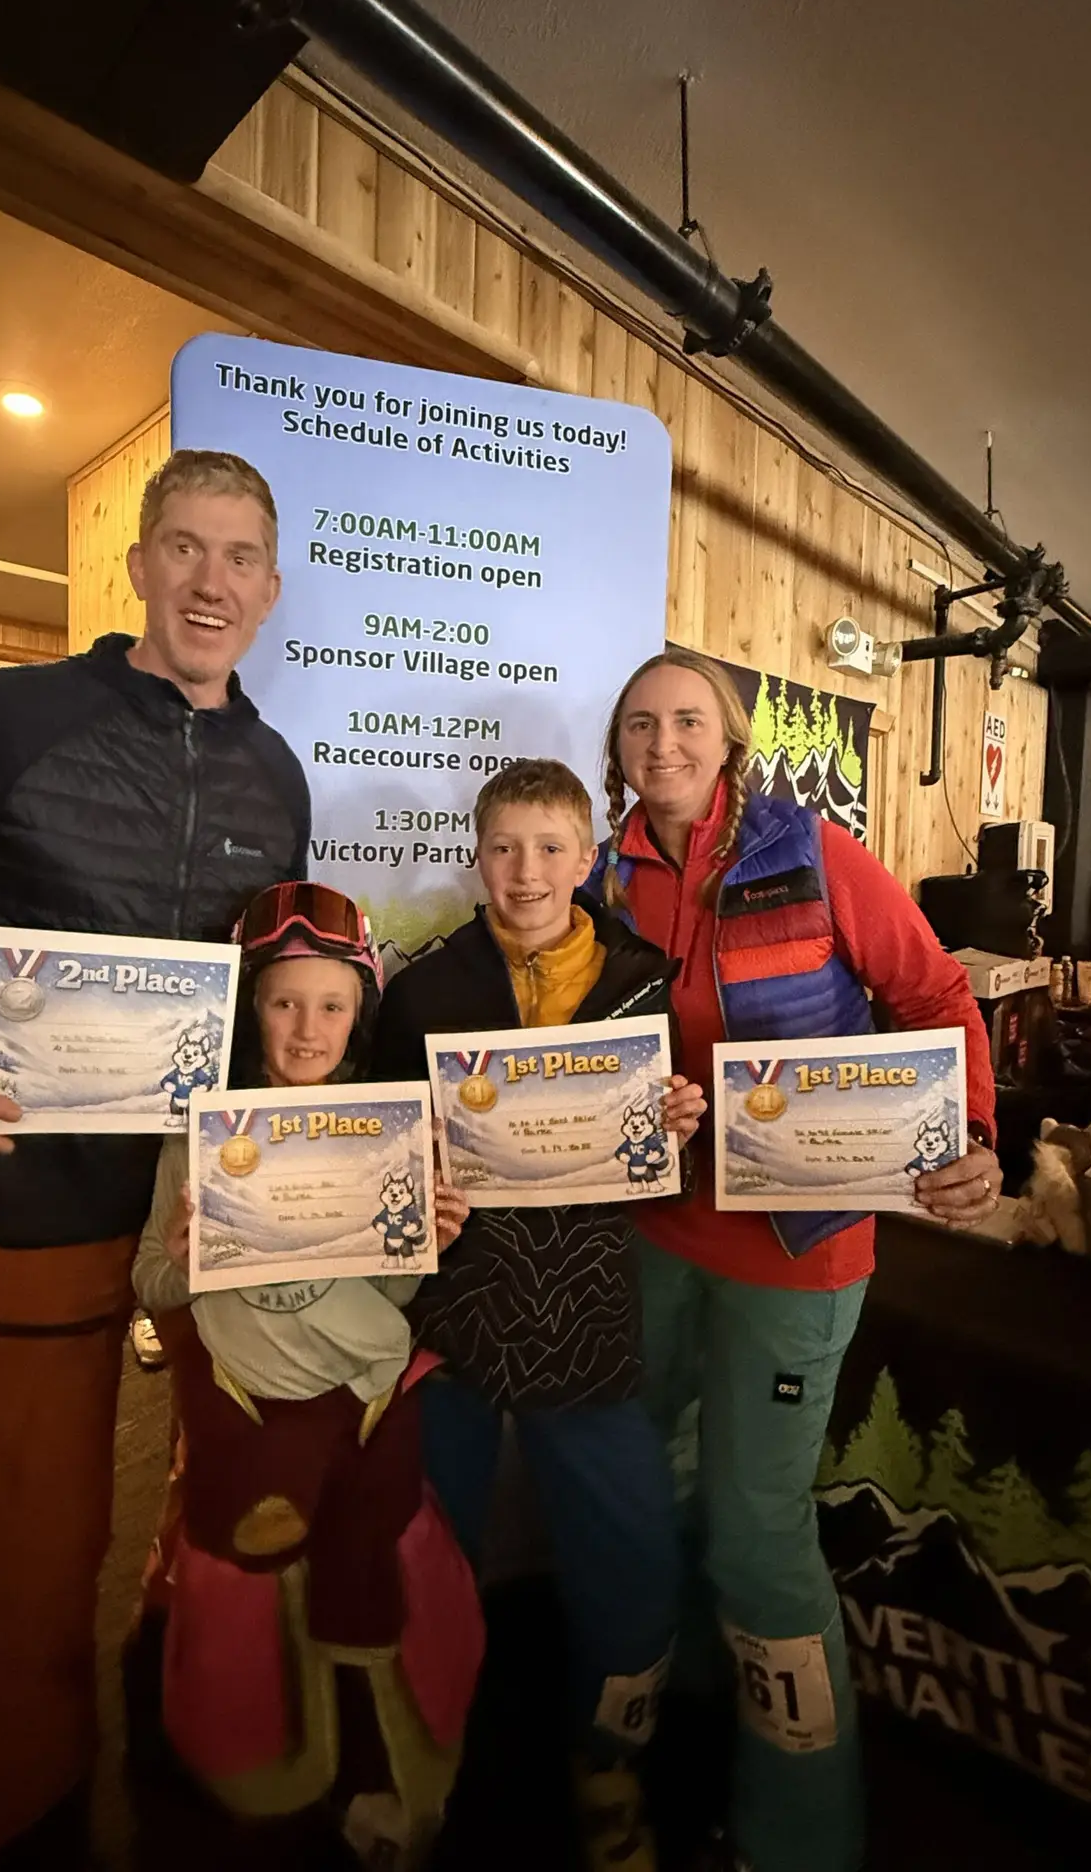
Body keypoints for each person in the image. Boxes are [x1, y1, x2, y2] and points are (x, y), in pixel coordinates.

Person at [0, 449, 309, 1869]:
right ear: (140, 566)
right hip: (34, 1201)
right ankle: (26, 1815)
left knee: (227, 1505)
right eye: (186, 547)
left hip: (213, 1211)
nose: (211, 581)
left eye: (241, 557)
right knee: (28, 1553)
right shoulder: (9, 716)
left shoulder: (278, 773)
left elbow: (280, 990)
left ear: (270, 589)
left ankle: (176, 1700)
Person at [590, 648, 1002, 1872]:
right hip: (657, 1235)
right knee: (663, 1502)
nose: (663, 743)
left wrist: (975, 1133)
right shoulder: (604, 874)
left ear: (730, 739)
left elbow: (934, 993)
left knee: (756, 1536)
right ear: (617, 748)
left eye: (687, 721)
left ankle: (802, 1833)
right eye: (639, 724)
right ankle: (696, 1739)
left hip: (798, 1247)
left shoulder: (812, 851)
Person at [372, 758, 708, 1872]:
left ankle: (608, 1763)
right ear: (478, 856)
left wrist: (677, 1125)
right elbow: (379, 1151)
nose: (526, 872)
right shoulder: (423, 991)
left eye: (550, 848)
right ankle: (421, 1760)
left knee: (631, 1553)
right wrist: (409, 1173)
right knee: (426, 1550)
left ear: (586, 857)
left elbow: (657, 1169)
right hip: (453, 1310)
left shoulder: (642, 982)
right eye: (505, 848)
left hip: (584, 1305)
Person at [131, 880, 481, 1864]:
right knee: (251, 1582)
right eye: (284, 1002)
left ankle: (378, 1773)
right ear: (252, 1009)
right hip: (251, 1419)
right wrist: (185, 1257)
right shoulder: (200, 1131)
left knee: (370, 1581)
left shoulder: (384, 1129)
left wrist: (432, 1240)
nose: (307, 1027)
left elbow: (393, 1297)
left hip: (367, 1410)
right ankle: (267, 1772)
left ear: (358, 1013)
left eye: (331, 1004)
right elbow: (149, 1279)